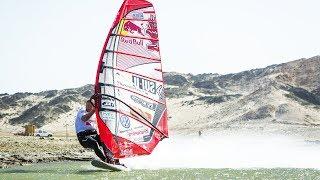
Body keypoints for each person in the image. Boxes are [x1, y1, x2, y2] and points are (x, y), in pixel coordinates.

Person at [75, 95, 119, 164]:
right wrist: (93, 110)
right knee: (94, 143)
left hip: (94, 134)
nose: (88, 107)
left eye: (91, 105)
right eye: (87, 105)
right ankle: (105, 160)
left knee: (106, 141)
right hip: (83, 136)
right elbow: (85, 119)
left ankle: (114, 159)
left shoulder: (97, 114)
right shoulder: (82, 111)